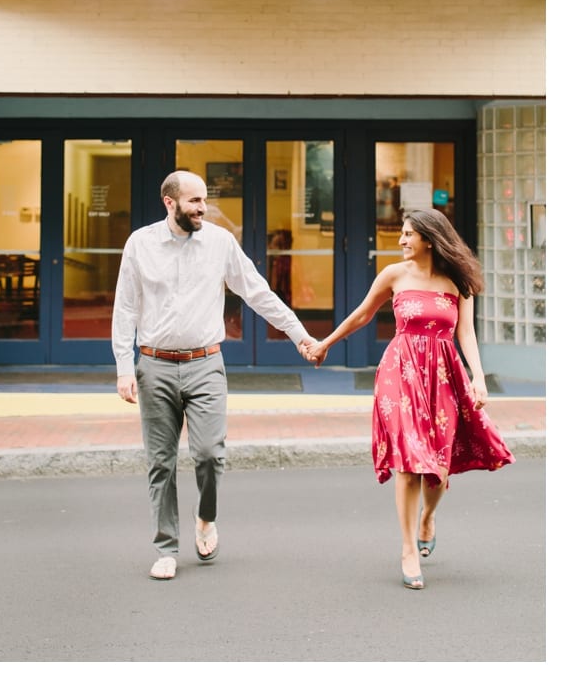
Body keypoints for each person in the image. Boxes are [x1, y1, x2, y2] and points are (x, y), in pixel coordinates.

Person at [111, 169, 317, 581]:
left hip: (206, 363)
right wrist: (122, 367)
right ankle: (166, 547)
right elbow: (126, 308)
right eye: (194, 201)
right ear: (170, 203)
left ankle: (206, 517)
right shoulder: (141, 244)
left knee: (209, 454)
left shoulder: (220, 243)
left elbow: (256, 291)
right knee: (160, 462)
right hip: (154, 364)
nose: (203, 208)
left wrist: (299, 335)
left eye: (204, 200)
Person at [304, 209, 513, 589]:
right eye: (401, 234)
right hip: (400, 372)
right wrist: (325, 345)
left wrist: (478, 379)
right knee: (408, 458)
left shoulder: (457, 282)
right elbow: (362, 315)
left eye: (407, 235)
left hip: (444, 374)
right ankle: (407, 549)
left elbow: (465, 333)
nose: (400, 240)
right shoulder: (393, 275)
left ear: (429, 240)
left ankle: (427, 518)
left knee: (438, 467)